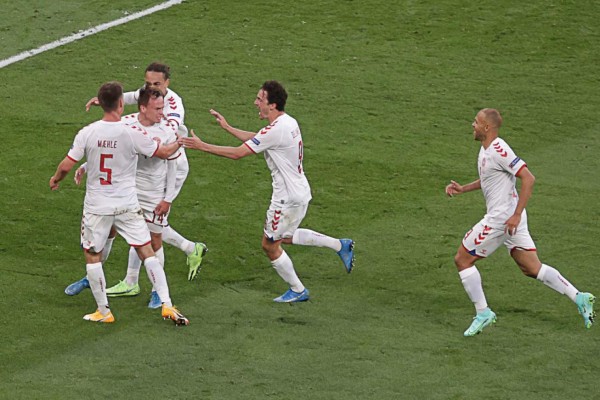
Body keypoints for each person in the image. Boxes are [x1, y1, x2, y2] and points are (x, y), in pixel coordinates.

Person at [180, 80, 355, 302]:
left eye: (260, 99)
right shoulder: (287, 123)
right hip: (300, 192)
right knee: (286, 236)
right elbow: (260, 138)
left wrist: (202, 146)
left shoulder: (276, 129)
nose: (255, 103)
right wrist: (228, 128)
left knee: (270, 245)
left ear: (272, 105)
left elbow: (237, 154)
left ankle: (298, 290)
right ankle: (340, 245)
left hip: (286, 199)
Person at [445, 108, 595, 336]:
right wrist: (464, 188)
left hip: (502, 219)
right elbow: (489, 178)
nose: (472, 125)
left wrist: (515, 214)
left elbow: (528, 178)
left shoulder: (499, 149)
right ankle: (579, 297)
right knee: (531, 267)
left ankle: (483, 312)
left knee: (462, 260)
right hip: (510, 217)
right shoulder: (486, 150)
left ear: (487, 127)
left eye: (476, 122)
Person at [49, 81, 190, 325]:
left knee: (92, 255)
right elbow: (164, 153)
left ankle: (104, 312)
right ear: (122, 104)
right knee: (147, 251)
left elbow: (66, 165)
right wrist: (181, 140)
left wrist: (56, 179)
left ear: (101, 104)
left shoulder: (88, 131)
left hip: (97, 207)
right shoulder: (131, 132)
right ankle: (167, 304)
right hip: (127, 203)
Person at [65, 62, 206, 297]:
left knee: (153, 234)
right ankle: (99, 276)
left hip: (162, 177)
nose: (151, 87)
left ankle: (157, 291)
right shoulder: (130, 121)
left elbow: (169, 154)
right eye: (148, 84)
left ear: (167, 84)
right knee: (112, 229)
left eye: (156, 84)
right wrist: (88, 165)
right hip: (132, 180)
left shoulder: (169, 117)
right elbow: (111, 144)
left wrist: (168, 197)